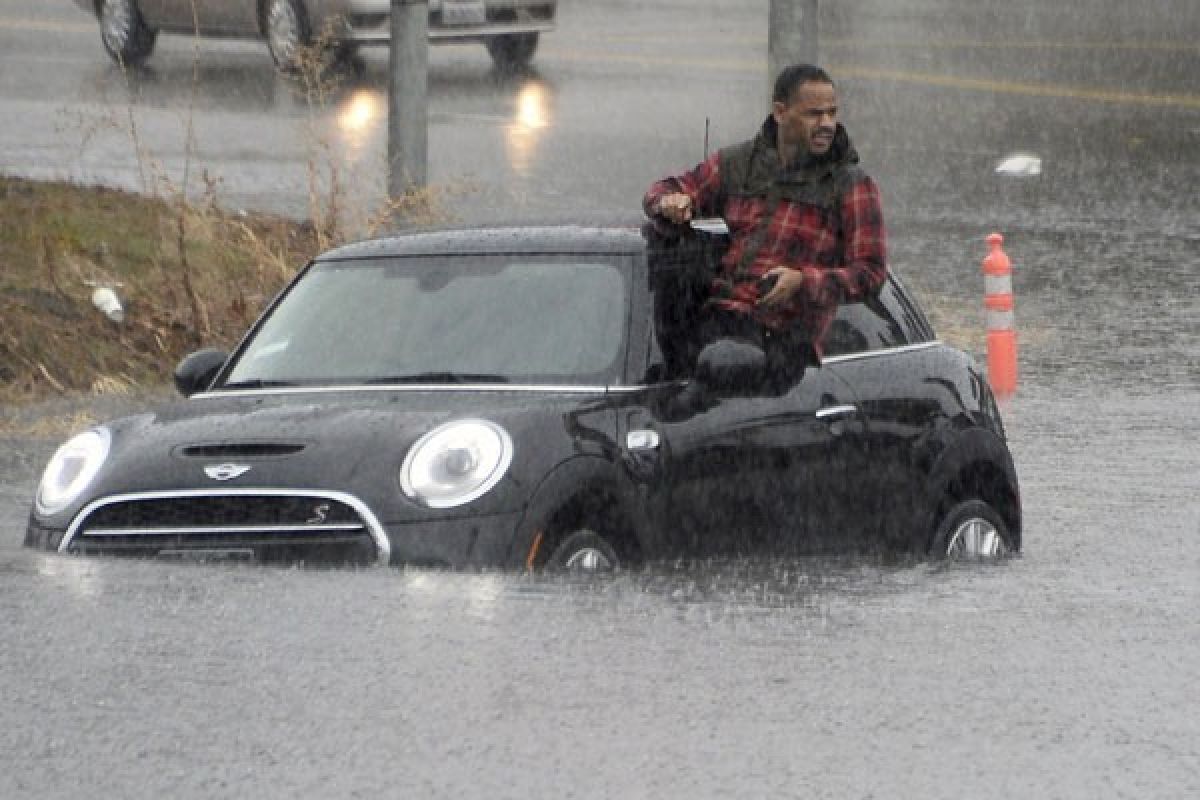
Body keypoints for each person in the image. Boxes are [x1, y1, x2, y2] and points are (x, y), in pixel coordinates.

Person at [643, 63, 887, 390]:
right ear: (780, 112)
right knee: (664, 250)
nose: (827, 124)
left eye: (832, 113)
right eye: (814, 114)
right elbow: (662, 190)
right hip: (714, 323)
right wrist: (670, 203)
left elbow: (871, 274)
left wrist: (803, 282)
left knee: (696, 398)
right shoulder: (737, 165)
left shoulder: (851, 186)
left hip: (784, 344)